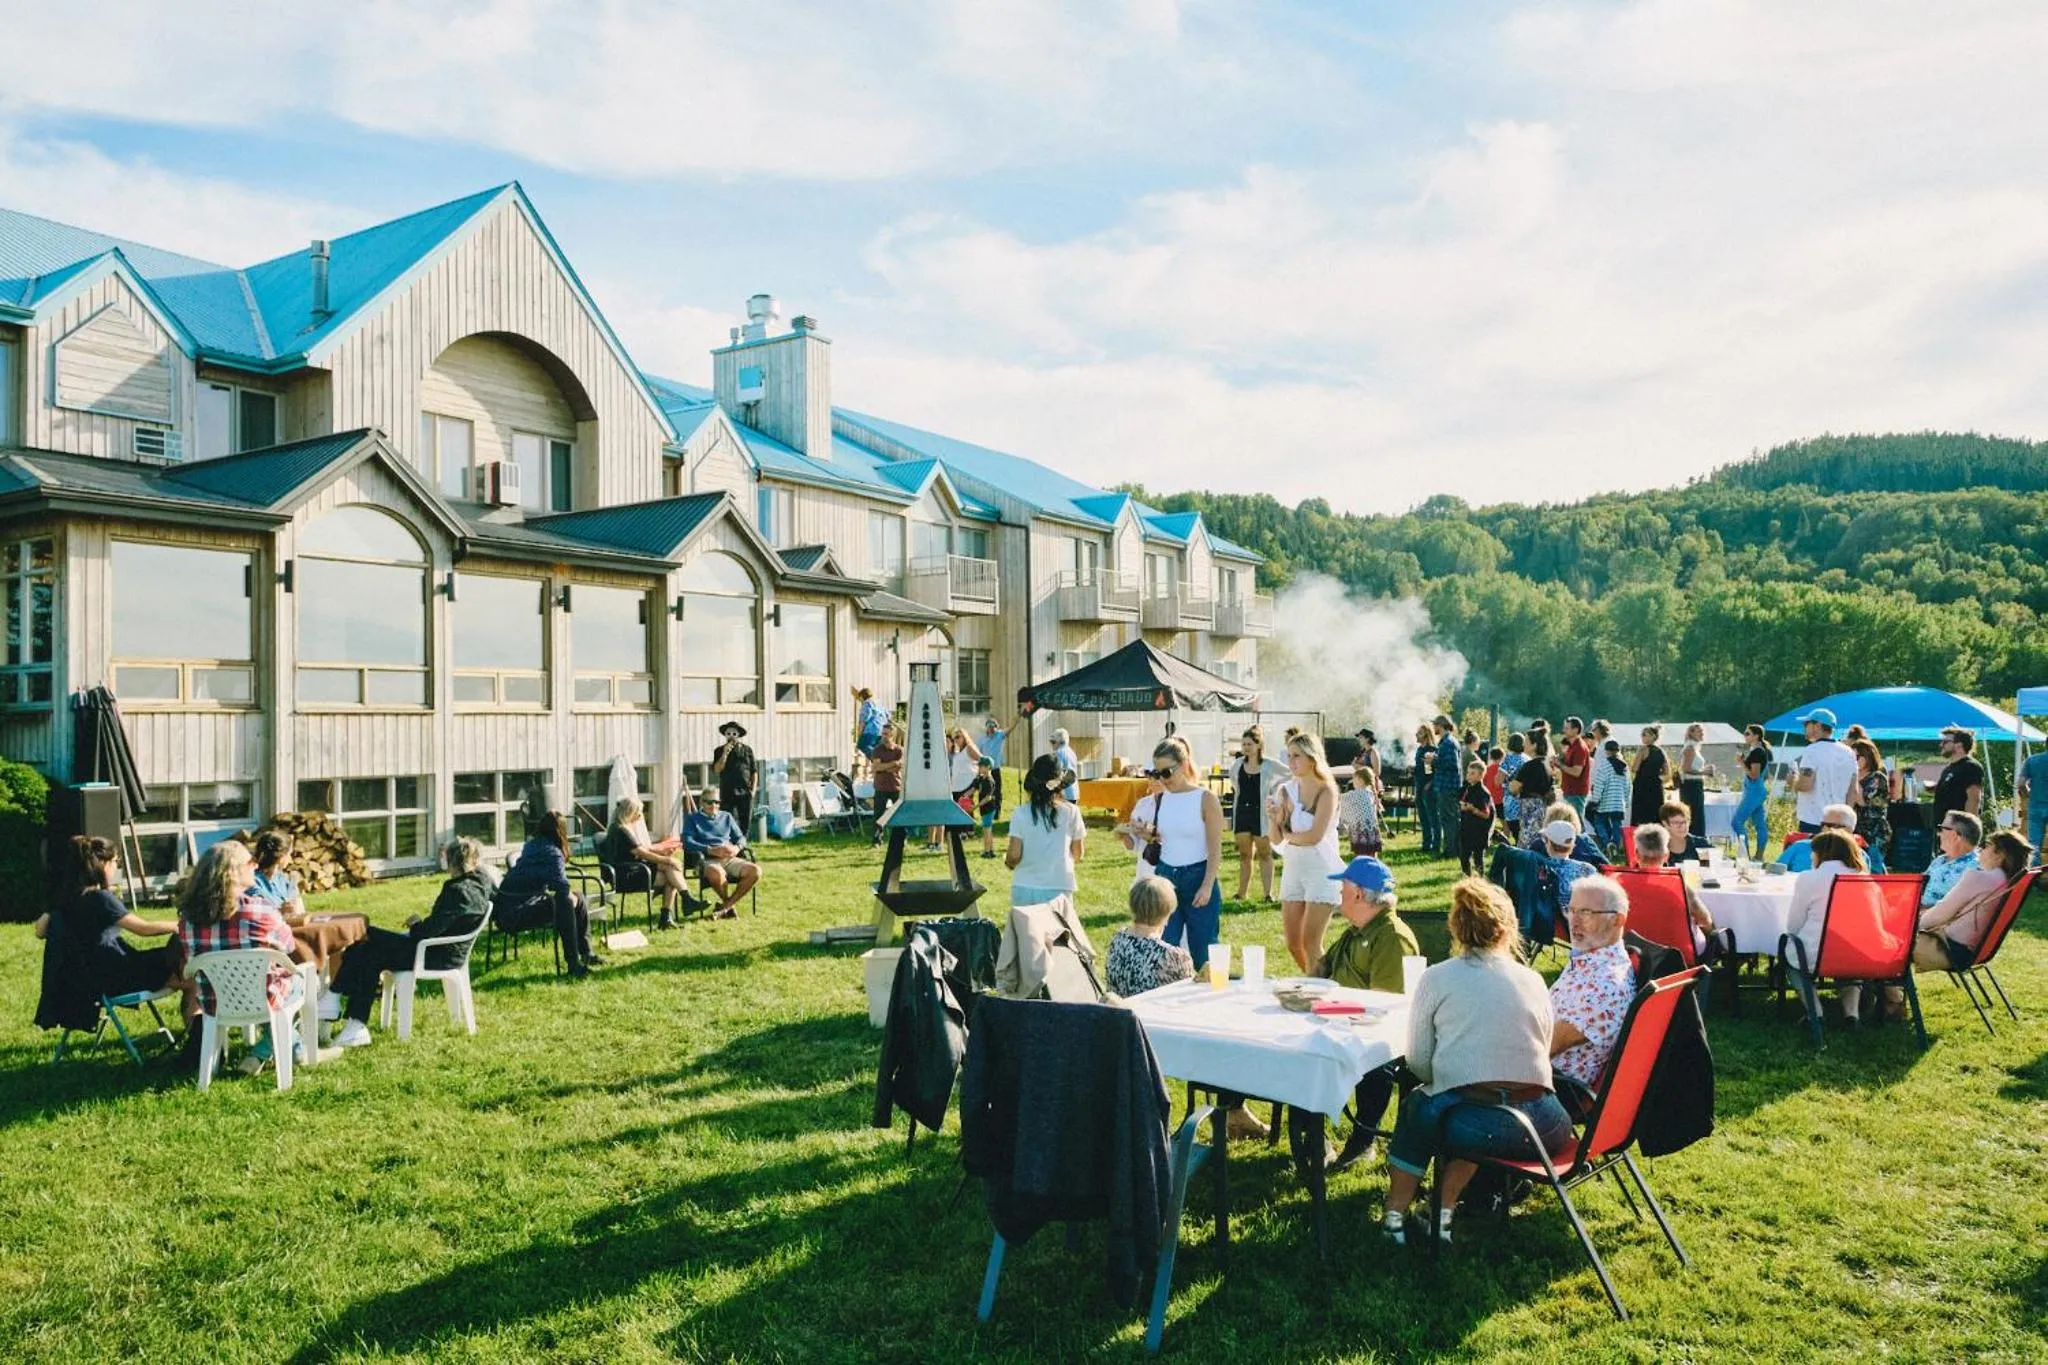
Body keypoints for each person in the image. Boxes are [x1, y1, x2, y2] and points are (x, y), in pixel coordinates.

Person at [1380, 878, 1575, 1247]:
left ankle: (1395, 1215)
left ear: (1455, 927)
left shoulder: (1436, 978)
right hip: (1547, 1125)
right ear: (1508, 927)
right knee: (1472, 1109)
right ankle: (1440, 1211)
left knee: (1422, 1107)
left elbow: (1419, 1062)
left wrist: (1451, 1075)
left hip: (1479, 1125)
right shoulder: (1533, 979)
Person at [330, 837, 493, 1046]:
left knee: (367, 937)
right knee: (368, 947)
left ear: (451, 861)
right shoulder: (482, 882)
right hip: (449, 951)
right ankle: (350, 1018)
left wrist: (415, 923)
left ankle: (337, 1000)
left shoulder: (457, 891)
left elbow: (426, 932)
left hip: (435, 954)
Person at [1321, 856, 1418, 1172]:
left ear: (1359, 894)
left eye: (1343, 887)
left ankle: (1363, 1140)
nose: (1339, 892)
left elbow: (1385, 1008)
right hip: (1335, 1020)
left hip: (1373, 1034)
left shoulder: (1390, 937)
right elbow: (1323, 968)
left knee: (1370, 1063)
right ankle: (1311, 1132)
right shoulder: (1357, 930)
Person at [33, 836, 184, 1036]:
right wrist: (180, 926)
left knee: (181, 969)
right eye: (115, 862)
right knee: (188, 975)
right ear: (103, 864)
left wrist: (54, 911)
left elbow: (40, 930)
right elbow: (143, 929)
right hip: (117, 976)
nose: (116, 868)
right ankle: (198, 1036)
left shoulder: (66, 900)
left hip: (86, 981)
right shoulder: (101, 899)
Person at [177, 840, 300, 1073]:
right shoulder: (260, 910)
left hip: (214, 1002)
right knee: (304, 980)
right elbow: (289, 944)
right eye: (251, 861)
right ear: (232, 872)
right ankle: (265, 1052)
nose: (256, 865)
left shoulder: (187, 919)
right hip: (263, 997)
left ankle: (291, 1050)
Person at [1136, 736, 1227, 969]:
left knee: (1204, 953)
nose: (1162, 779)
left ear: (1184, 765)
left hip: (1198, 876)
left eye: (1167, 772)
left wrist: (1207, 885)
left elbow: (1215, 849)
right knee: (1163, 951)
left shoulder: (1205, 799)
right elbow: (1166, 837)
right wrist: (1148, 835)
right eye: (1157, 773)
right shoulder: (1161, 799)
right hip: (1165, 877)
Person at [1550, 875, 1637, 1117]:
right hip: (1537, 1073)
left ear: (1617, 920)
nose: (1574, 922)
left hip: (1551, 1092)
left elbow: (1544, 1048)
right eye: (1571, 910)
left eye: (1586, 913)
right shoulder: (1590, 956)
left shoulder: (1606, 985)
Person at [1271, 731, 1344, 972]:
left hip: (1321, 867)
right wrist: (1273, 818)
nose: (1291, 761)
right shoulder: (1285, 790)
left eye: (1296, 756)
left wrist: (1288, 836)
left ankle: (1320, 984)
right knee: (1293, 944)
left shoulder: (1327, 791)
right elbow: (1275, 838)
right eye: (1289, 756)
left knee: (1311, 943)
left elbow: (1314, 836)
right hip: (1293, 868)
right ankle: (1315, 979)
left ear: (1312, 758)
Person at [499, 811, 603, 974]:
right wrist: (568, 896)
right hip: (517, 913)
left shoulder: (531, 846)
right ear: (561, 831)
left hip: (506, 909)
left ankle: (586, 953)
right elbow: (562, 888)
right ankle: (574, 963)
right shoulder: (553, 853)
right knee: (566, 903)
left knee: (577, 897)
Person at [1782, 828, 1871, 1016]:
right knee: (1849, 968)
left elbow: (1793, 925)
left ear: (1820, 854)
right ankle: (1852, 1013)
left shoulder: (1808, 878)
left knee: (1790, 957)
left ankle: (1815, 1012)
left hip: (1817, 953)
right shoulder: (1865, 879)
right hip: (1857, 954)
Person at [1914, 830, 2032, 971]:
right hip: (1970, 953)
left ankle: (1896, 985)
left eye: (1987, 846)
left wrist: (1911, 926)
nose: (1980, 850)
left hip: (1946, 949)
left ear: (2000, 855)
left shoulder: (1980, 878)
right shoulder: (2008, 883)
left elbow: (1939, 914)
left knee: (1891, 943)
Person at [607, 796, 704, 929]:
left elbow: (640, 849)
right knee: (671, 872)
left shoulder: (618, 826)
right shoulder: (622, 830)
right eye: (638, 813)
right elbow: (642, 853)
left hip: (632, 869)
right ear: (630, 812)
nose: (640, 816)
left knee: (671, 873)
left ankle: (680, 905)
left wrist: (661, 851)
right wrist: (668, 859)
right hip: (626, 876)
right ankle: (679, 906)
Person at [1007, 753, 1086, 911]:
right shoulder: (1072, 811)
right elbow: (1078, 854)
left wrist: (1008, 862)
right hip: (1059, 886)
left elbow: (1014, 855)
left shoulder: (1020, 813)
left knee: (1026, 928)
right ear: (1060, 784)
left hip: (1025, 887)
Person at [1630, 824, 1720, 955]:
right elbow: (1704, 920)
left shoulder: (1620, 882)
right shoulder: (1677, 884)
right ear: (1666, 855)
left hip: (1635, 950)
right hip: (1680, 953)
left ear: (1636, 854)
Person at [1104, 875, 1194, 997]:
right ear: (1167, 913)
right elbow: (1186, 997)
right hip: (1152, 1009)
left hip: (1117, 1008)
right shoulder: (1175, 957)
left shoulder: (1118, 939)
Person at [1229, 726, 1290, 902]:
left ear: (1258, 745)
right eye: (1243, 744)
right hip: (1242, 813)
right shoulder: (1237, 764)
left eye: (1249, 744)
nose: (1246, 747)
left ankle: (1268, 893)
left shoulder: (1269, 764)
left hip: (1261, 815)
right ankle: (1241, 893)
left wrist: (1276, 793)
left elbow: (1290, 774)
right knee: (1244, 854)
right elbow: (1234, 783)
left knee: (1264, 853)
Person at [685, 790, 760, 916]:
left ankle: (726, 907)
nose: (713, 805)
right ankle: (728, 907)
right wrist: (710, 849)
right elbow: (687, 842)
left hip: (729, 858)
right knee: (717, 873)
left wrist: (737, 848)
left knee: (755, 871)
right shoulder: (692, 819)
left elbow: (741, 838)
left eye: (717, 802)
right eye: (709, 802)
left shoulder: (726, 817)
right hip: (706, 860)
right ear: (702, 802)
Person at [1790, 708, 1857, 834]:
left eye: (1806, 724)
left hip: (1813, 820)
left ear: (1817, 726)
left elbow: (1805, 785)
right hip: (1839, 822)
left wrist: (1793, 780)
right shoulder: (1849, 752)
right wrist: (1846, 820)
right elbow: (1853, 791)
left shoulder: (1812, 750)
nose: (1804, 728)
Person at [1539, 819, 1600, 928]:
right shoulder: (1588, 869)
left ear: (1549, 844)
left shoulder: (1541, 868)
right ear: (1572, 846)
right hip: (1585, 924)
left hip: (1549, 923)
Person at [931, 727, 984, 850]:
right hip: (956, 785)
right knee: (957, 807)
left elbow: (982, 760)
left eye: (959, 737)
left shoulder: (969, 748)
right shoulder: (957, 751)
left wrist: (978, 777)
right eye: (955, 738)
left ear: (964, 737)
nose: (956, 740)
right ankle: (961, 831)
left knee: (965, 805)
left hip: (968, 782)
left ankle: (968, 831)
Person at [1114, 767, 1168, 881]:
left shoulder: (1176, 804)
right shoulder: (1142, 804)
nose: (1154, 781)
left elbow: (1165, 833)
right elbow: (1134, 845)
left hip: (1168, 872)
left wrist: (1144, 827)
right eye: (1150, 777)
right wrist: (1124, 835)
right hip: (1145, 871)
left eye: (1158, 776)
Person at [1922, 811, 1983, 907]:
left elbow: (1960, 907)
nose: (1938, 834)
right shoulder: (1940, 860)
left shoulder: (1974, 869)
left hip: (1935, 915)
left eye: (1942, 829)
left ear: (1954, 835)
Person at [1730, 724, 1772, 861]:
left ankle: (1745, 855)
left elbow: (1754, 775)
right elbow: (1765, 776)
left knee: (1737, 822)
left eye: (1747, 734)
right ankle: (1759, 856)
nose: (1745, 736)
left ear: (1756, 736)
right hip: (1758, 790)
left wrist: (1741, 762)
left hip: (1753, 791)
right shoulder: (1761, 751)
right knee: (1760, 824)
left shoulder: (1757, 752)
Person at [712, 721, 759, 839]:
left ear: (738, 735)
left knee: (745, 819)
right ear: (725, 735)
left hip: (744, 791)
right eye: (728, 733)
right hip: (727, 791)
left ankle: (743, 843)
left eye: (734, 733)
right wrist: (725, 753)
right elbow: (717, 769)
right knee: (728, 818)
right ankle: (730, 842)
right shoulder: (719, 750)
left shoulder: (747, 750)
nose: (731, 736)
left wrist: (753, 791)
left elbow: (754, 771)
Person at [1509, 730, 1556, 849]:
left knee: (1527, 841)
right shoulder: (1548, 765)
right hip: (1544, 807)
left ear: (1534, 745)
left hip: (1529, 807)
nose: (1523, 744)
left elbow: (1514, 788)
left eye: (1526, 741)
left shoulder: (1529, 766)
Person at [1931, 726, 1986, 826]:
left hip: (1958, 828)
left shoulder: (1970, 767)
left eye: (1945, 742)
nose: (1941, 745)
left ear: (1959, 745)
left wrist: (1968, 828)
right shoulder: (1949, 769)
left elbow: (1974, 800)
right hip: (1944, 827)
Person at [1849, 738, 1892, 862]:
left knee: (1874, 867)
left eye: (1856, 757)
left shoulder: (1877, 778)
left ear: (1867, 757)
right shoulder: (1854, 776)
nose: (1853, 760)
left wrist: (1855, 776)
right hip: (1856, 831)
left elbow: (1862, 801)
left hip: (1874, 833)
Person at [250, 831, 307, 918]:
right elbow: (256, 915)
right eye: (289, 854)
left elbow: (299, 910)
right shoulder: (253, 883)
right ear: (281, 857)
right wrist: (280, 911)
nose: (290, 859)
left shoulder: (282, 879)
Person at [1587, 738, 1629, 852]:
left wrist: (1595, 800)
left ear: (1606, 751)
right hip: (1619, 803)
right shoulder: (1625, 767)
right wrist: (1626, 801)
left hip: (1605, 802)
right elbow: (1628, 786)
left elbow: (1599, 784)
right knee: (1616, 824)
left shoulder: (1604, 765)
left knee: (1599, 821)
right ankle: (1616, 846)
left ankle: (1607, 843)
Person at [1433, 715, 1464, 862]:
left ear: (1441, 725)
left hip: (1448, 787)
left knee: (1449, 819)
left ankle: (1452, 851)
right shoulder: (1447, 742)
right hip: (1447, 786)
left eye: (1435, 725)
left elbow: (1452, 765)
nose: (1434, 727)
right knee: (1448, 819)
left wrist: (1434, 760)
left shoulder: (1448, 743)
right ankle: (1451, 849)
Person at [1456, 760, 1495, 876]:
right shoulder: (1467, 788)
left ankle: (1479, 880)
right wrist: (1461, 805)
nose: (1469, 775)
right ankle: (1468, 877)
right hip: (1467, 827)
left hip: (1479, 830)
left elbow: (1486, 814)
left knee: (1478, 858)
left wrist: (1472, 809)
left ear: (1481, 775)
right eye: (1468, 773)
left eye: (1472, 773)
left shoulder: (1483, 792)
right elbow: (1458, 799)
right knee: (1464, 856)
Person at [1338, 761, 1384, 859]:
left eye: (1354, 779)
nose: (1353, 782)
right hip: (1371, 830)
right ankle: (1374, 866)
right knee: (1372, 853)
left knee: (1360, 854)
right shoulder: (1371, 793)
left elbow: (1341, 799)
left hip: (1361, 830)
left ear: (1360, 780)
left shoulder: (1358, 794)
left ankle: (1362, 866)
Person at [1629, 726, 1671, 828]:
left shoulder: (1643, 750)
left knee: (1641, 814)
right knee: (1656, 814)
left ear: (1653, 736)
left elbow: (1634, 768)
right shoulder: (1661, 751)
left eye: (1645, 735)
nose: (1642, 737)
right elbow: (1667, 771)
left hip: (1642, 785)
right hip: (1656, 785)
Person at [869, 722, 904, 843]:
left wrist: (884, 766)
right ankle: (877, 839)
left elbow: (900, 767)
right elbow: (876, 767)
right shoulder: (877, 750)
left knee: (899, 814)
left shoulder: (899, 750)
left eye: (886, 734)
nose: (883, 736)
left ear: (892, 735)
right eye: (883, 733)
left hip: (896, 786)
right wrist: (893, 763)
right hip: (881, 787)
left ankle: (900, 838)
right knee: (878, 815)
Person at [1677, 723, 1713, 835]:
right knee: (1694, 814)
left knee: (1697, 814)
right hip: (1690, 785)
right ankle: (1695, 838)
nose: (1702, 733)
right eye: (1699, 731)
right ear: (1691, 733)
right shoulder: (1690, 748)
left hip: (1695, 783)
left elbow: (1693, 767)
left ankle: (1697, 838)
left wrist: (1704, 770)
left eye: (1702, 731)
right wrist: (1704, 772)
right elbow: (1686, 768)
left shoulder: (1695, 747)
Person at [1413, 723, 1441, 856]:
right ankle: (1426, 843)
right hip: (1419, 785)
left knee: (1433, 816)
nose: (1416, 735)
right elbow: (1422, 768)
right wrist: (1413, 769)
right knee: (1423, 817)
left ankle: (1436, 844)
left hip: (1429, 788)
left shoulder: (1432, 750)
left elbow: (1434, 771)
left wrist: (1430, 783)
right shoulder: (1419, 749)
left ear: (1426, 735)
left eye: (1419, 733)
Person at [1558, 717, 1593, 821]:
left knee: (1576, 823)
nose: (1564, 730)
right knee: (1571, 823)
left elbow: (1576, 772)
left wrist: (1560, 765)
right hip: (1570, 791)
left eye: (1567, 728)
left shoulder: (1580, 747)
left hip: (1576, 792)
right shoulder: (1572, 746)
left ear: (1576, 730)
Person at [2019, 743, 2048, 865]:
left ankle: (2034, 873)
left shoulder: (2032, 760)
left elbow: (2021, 783)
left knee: (2034, 844)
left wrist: (2028, 795)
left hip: (2035, 805)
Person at [970, 755, 1003, 859]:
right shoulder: (980, 779)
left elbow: (988, 798)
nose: (979, 768)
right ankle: (991, 850)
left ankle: (987, 851)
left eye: (981, 766)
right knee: (988, 829)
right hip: (984, 809)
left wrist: (976, 806)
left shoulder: (989, 781)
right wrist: (964, 797)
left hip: (989, 808)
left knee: (986, 830)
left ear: (988, 767)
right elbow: (973, 789)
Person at [852, 687, 888, 760]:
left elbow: (864, 719)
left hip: (871, 730)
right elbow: (887, 715)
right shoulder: (879, 704)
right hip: (881, 730)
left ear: (862, 696)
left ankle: (877, 760)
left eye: (860, 698)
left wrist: (860, 732)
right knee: (875, 748)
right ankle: (878, 761)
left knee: (861, 744)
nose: (860, 700)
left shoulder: (867, 704)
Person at [1050, 727, 1081, 803]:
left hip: (1064, 793)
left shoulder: (1059, 753)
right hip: (1074, 791)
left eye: (1053, 742)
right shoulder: (1072, 752)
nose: (1052, 745)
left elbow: (1057, 772)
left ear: (1060, 742)